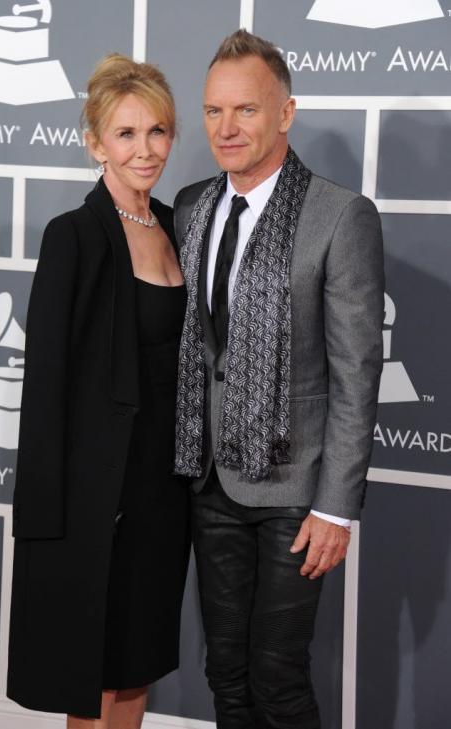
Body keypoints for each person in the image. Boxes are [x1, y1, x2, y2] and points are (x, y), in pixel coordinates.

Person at [173, 30, 384, 728]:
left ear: (285, 113)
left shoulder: (340, 215)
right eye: (212, 112)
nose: (226, 129)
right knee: (226, 674)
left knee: (278, 679)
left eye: (246, 111)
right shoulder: (193, 206)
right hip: (211, 483)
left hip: (297, 492)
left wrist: (337, 507)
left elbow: (357, 373)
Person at [7, 54, 191, 729]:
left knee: (136, 667)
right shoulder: (74, 237)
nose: (145, 150)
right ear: (95, 144)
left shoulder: (180, 226)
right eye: (126, 134)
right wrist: (50, 516)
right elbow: (45, 386)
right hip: (98, 500)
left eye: (158, 131)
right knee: (95, 674)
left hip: (164, 494)